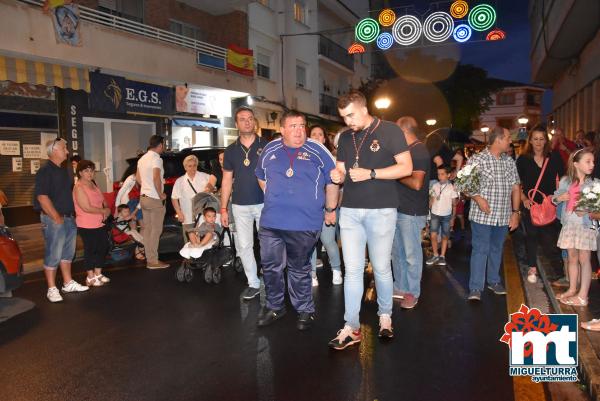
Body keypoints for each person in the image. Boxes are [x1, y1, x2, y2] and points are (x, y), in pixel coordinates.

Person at [328, 90, 413, 350]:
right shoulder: (344, 137)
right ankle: (351, 327)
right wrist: (337, 175)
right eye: (343, 117)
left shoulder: (389, 131)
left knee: (381, 267)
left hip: (381, 210)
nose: (348, 122)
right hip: (351, 212)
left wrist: (372, 173)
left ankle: (385, 317)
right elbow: (342, 170)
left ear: (364, 108)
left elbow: (406, 168)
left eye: (351, 115)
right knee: (352, 270)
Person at [255, 110, 338, 331]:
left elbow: (333, 179)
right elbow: (261, 177)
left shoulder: (317, 149)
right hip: (271, 222)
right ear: (281, 130)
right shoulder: (270, 149)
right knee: (271, 267)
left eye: (302, 125)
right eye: (293, 126)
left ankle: (304, 309)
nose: (299, 131)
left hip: (305, 223)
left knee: (299, 268)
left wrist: (330, 208)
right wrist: (275, 197)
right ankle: (274, 306)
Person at [465, 127, 521, 301]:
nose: (510, 141)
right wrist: (478, 198)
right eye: (507, 138)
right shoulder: (477, 159)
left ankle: (494, 281)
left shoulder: (509, 161)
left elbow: (515, 187)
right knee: (480, 249)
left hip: (503, 215)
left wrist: (515, 212)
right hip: (482, 215)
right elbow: (464, 185)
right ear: (498, 140)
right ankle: (475, 287)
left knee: (496, 249)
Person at [220, 107, 268, 300]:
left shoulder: (266, 145)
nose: (247, 122)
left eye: (250, 119)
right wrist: (223, 208)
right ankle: (253, 283)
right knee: (245, 246)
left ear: (254, 121)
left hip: (265, 203)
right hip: (240, 205)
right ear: (236, 124)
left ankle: (271, 280)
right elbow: (226, 180)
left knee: (268, 244)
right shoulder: (231, 150)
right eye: (242, 119)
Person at [34, 138, 89, 302]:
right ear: (54, 151)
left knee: (67, 254)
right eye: (64, 148)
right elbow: (42, 197)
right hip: (54, 219)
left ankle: (67, 283)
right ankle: (51, 288)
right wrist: (56, 217)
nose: (67, 151)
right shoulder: (45, 171)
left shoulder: (64, 171)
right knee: (53, 254)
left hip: (69, 218)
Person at [516, 126, 565, 284]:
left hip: (550, 204)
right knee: (531, 235)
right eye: (535, 139)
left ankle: (559, 271)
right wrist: (523, 199)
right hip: (530, 205)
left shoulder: (555, 157)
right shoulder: (523, 159)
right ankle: (532, 267)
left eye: (541, 139)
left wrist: (559, 197)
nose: (538, 142)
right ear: (530, 140)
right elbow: (516, 183)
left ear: (546, 140)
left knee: (549, 238)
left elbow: (564, 179)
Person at [391, 116, 430, 310]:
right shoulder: (405, 151)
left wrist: (394, 175)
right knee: (397, 253)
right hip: (398, 209)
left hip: (412, 212)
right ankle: (400, 286)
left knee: (411, 254)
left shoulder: (419, 151)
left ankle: (412, 292)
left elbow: (416, 183)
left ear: (404, 131)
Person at [553, 148, 596, 307]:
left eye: (593, 161)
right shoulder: (566, 181)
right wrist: (560, 197)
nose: (592, 165)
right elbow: (555, 198)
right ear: (576, 164)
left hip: (584, 225)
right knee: (571, 257)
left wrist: (587, 210)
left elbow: (596, 208)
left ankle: (583, 295)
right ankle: (572, 288)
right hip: (569, 224)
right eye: (588, 161)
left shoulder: (593, 183)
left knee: (585, 259)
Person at [308, 124, 342, 286]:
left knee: (328, 240)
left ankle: (336, 270)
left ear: (324, 138)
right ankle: (312, 274)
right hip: (309, 207)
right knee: (311, 241)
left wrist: (334, 207)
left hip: (329, 206)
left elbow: (338, 186)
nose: (316, 137)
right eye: (313, 134)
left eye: (319, 134)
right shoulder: (304, 158)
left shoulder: (333, 159)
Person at [73, 160, 112, 287]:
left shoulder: (93, 184)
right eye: (86, 171)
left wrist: (107, 208)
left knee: (103, 247)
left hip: (99, 223)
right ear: (80, 172)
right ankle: (90, 277)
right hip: (86, 224)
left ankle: (98, 273)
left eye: (92, 170)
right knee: (90, 250)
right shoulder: (79, 187)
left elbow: (102, 200)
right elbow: (86, 207)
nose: (90, 173)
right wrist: (103, 210)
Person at [137, 135, 168, 269]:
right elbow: (156, 177)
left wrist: (147, 186)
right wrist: (160, 194)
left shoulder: (142, 158)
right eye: (163, 145)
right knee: (156, 230)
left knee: (148, 229)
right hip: (154, 198)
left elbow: (137, 178)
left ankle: (149, 258)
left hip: (143, 197)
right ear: (160, 145)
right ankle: (153, 261)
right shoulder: (157, 158)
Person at [171, 155, 216, 240]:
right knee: (189, 241)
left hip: (203, 217)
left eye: (194, 165)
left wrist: (209, 188)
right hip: (187, 216)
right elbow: (174, 198)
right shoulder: (180, 181)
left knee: (204, 241)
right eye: (189, 166)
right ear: (185, 167)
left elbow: (214, 182)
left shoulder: (204, 176)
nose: (192, 168)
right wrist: (179, 212)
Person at [427, 165, 458, 267]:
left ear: (448, 175)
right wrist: (428, 214)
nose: (440, 176)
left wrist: (453, 218)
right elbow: (431, 200)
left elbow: (454, 204)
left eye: (442, 174)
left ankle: (442, 256)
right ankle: (435, 254)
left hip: (446, 216)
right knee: (433, 235)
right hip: (435, 214)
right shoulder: (434, 185)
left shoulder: (452, 188)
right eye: (438, 174)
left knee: (445, 236)